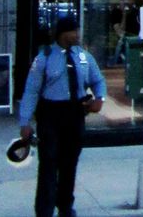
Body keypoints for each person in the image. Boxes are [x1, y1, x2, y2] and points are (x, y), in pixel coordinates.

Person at [18, 14, 106, 217]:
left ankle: (66, 206)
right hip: (51, 114)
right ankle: (45, 210)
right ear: (62, 33)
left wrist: (99, 98)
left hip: (75, 113)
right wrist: (25, 121)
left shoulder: (83, 56)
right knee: (49, 162)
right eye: (73, 31)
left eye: (77, 30)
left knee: (70, 162)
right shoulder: (44, 58)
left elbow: (98, 80)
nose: (77, 35)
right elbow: (31, 91)